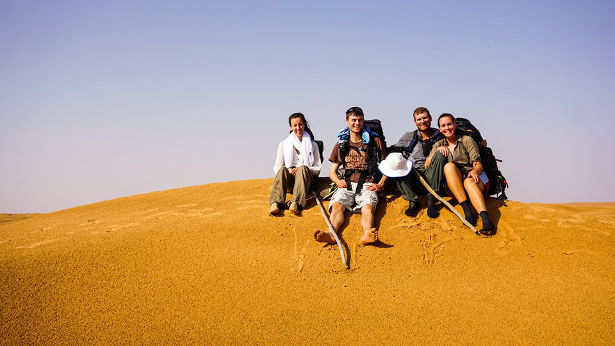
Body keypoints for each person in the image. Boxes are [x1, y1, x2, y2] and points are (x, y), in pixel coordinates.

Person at [314, 107, 387, 245]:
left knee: (368, 207)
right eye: (354, 120)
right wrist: (337, 181)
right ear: (347, 121)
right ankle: (331, 234)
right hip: (346, 183)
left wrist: (381, 182)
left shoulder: (374, 141)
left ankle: (367, 233)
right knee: (337, 205)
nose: (357, 123)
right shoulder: (341, 143)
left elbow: (386, 165)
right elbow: (332, 172)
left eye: (360, 120)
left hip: (367, 183)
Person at [425, 113, 496, 235]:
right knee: (449, 166)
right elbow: (427, 165)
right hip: (456, 183)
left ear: (455, 125)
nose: (447, 128)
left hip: (475, 178)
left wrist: (474, 171)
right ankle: (467, 211)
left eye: (449, 124)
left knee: (468, 181)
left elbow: (478, 165)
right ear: (440, 129)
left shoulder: (467, 140)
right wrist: (437, 151)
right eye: (443, 126)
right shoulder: (439, 144)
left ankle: (486, 220)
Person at [391, 107, 446, 217]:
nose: (422, 121)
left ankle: (432, 198)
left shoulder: (441, 134)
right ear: (415, 122)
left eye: (425, 118)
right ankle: (413, 200)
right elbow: (393, 152)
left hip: (434, 175)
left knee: (440, 154)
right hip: (414, 176)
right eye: (419, 119)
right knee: (396, 161)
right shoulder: (409, 136)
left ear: (430, 118)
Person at [269, 113, 322, 215]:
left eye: (300, 124)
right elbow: (277, 167)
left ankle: (296, 203)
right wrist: (288, 170)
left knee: (302, 168)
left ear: (304, 125)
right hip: (290, 182)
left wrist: (303, 169)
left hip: (306, 181)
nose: (298, 128)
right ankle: (275, 202)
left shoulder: (313, 145)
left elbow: (318, 168)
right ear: (291, 127)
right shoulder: (283, 144)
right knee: (282, 170)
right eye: (295, 125)